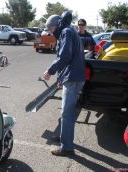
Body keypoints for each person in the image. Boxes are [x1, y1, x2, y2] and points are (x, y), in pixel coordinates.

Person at [43, 12, 85, 156]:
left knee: (67, 113)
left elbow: (65, 56)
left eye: (51, 29)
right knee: (68, 112)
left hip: (73, 79)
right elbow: (70, 58)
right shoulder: (71, 31)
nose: (50, 32)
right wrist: (61, 78)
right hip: (74, 77)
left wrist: (50, 71)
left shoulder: (66, 32)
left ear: (56, 25)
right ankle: (65, 137)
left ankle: (66, 147)